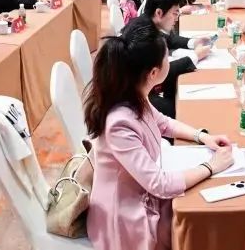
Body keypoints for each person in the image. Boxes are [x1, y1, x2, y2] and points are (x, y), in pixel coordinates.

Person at [85, 19, 233, 250]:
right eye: (167, 57)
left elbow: (163, 123)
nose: (169, 61)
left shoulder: (134, 94)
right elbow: (159, 184)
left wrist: (202, 137)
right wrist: (211, 166)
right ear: (154, 72)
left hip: (141, 192)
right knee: (199, 216)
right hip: (124, 219)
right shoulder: (120, 123)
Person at [130, 0, 213, 119]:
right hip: (135, 99)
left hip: (141, 88)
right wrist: (195, 56)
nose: (177, 18)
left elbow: (170, 40)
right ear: (159, 13)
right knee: (184, 112)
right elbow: (161, 73)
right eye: (175, 13)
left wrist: (194, 42)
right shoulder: (144, 37)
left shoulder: (147, 23)